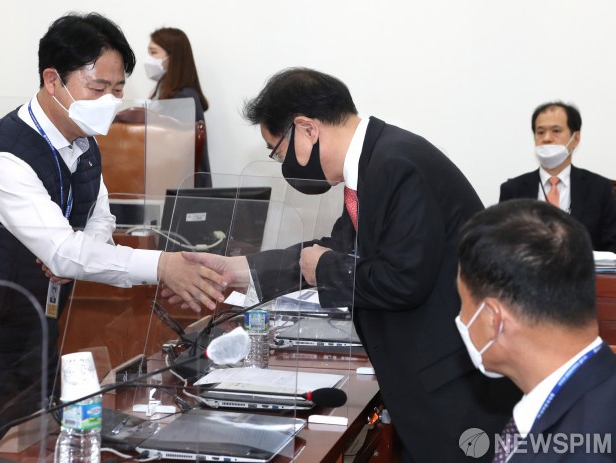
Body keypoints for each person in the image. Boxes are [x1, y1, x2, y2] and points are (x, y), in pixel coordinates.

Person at [175, 68, 521, 462]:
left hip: (454, 388)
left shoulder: (395, 165)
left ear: (307, 129)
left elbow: (403, 280)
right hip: (432, 377)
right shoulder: (374, 162)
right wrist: (240, 270)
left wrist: (324, 268)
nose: (283, 164)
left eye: (278, 151)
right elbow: (336, 248)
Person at [0, 13, 225, 458]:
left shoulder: (84, 143)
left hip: (38, 326)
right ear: (53, 80)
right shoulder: (1, 157)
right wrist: (160, 265)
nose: (110, 101)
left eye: (118, 89)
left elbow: (100, 217)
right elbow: (64, 252)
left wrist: (81, 253)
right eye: (97, 88)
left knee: (36, 443)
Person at [457, 199, 616, 461]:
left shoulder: (581, 453)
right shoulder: (598, 390)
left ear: (494, 320)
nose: (461, 319)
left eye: (462, 303)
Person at [499, 101, 616, 252]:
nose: (547, 138)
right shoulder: (513, 190)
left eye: (556, 131)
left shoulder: (600, 189)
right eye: (540, 132)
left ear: (575, 139)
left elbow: (612, 246)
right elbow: (502, 245)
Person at [144, 27, 212, 187]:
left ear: (173, 57)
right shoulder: (169, 94)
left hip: (184, 187)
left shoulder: (183, 98)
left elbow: (173, 151)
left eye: (153, 52)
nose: (148, 59)